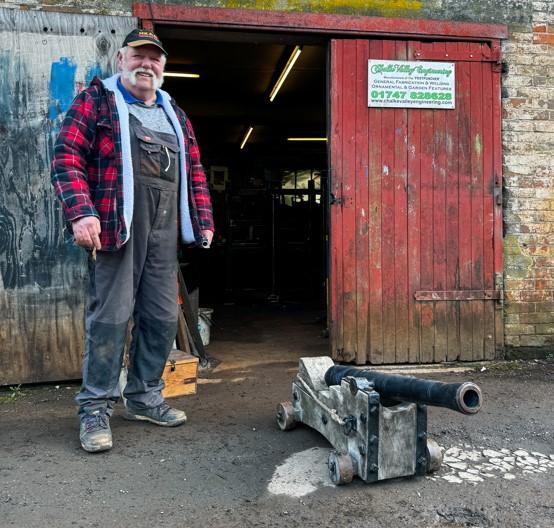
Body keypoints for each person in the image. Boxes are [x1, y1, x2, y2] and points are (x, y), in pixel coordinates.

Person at [51, 28, 214, 453]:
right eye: (138, 57)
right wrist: (81, 212)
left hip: (164, 235)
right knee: (111, 318)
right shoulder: (98, 100)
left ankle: (143, 397)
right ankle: (94, 409)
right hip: (117, 228)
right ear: (121, 59)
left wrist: (203, 221)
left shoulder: (175, 113)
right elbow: (66, 157)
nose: (147, 64)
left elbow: (194, 172)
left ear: (163, 66)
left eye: (154, 58)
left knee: (161, 318)